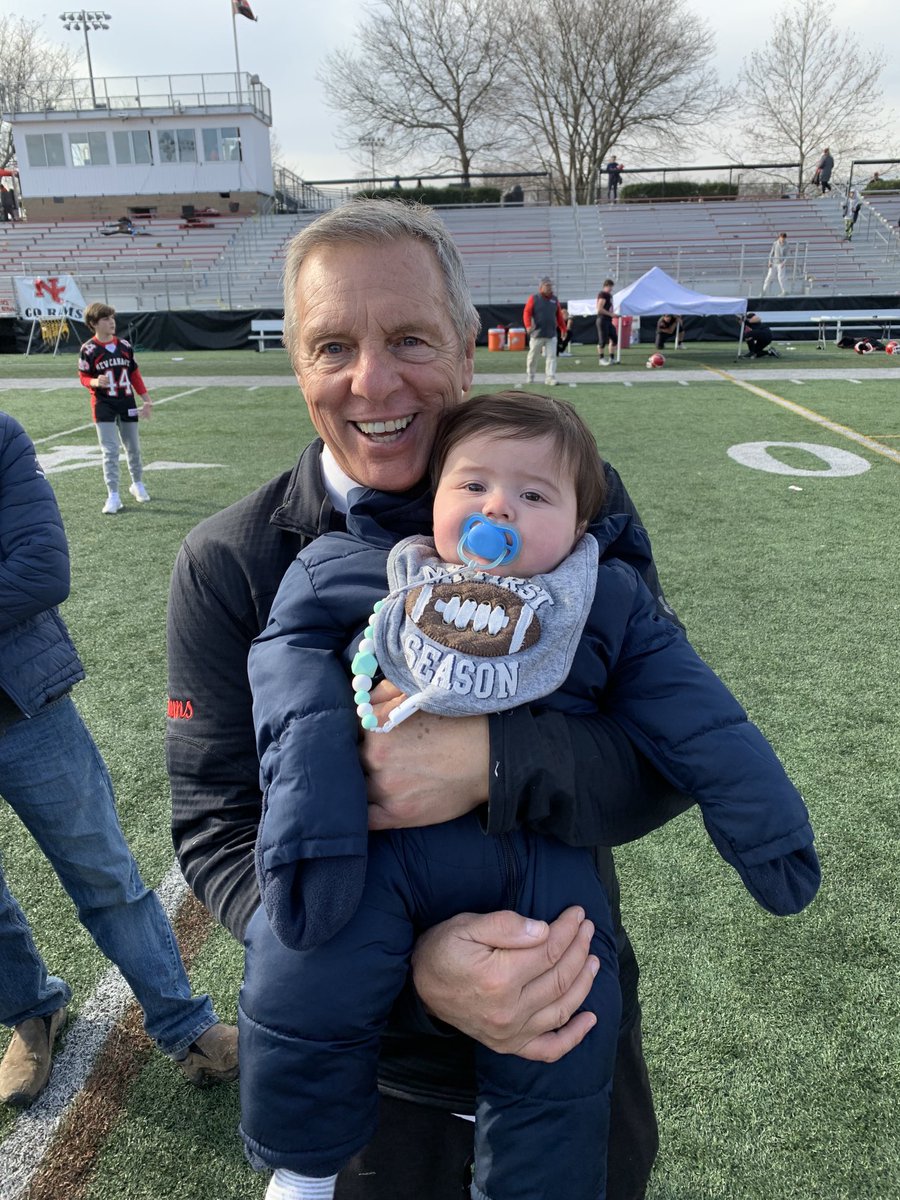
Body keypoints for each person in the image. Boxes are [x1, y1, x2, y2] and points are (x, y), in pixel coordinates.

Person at [166, 199, 694, 1200]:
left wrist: (488, 765)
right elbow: (217, 831)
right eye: (333, 345)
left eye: (409, 338)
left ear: (466, 350)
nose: (374, 380)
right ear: (296, 363)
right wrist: (411, 969)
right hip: (371, 1076)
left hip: (568, 1022)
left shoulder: (577, 502)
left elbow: (666, 751)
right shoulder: (231, 563)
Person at [243, 390, 818, 1200]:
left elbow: (699, 720)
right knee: (305, 957)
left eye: (534, 495)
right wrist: (318, 808)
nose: (497, 507)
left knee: (564, 1026)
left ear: (580, 526)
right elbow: (287, 675)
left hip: (541, 868)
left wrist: (768, 830)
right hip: (381, 858)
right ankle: (302, 1169)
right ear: (433, 497)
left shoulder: (605, 601)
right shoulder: (354, 572)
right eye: (471, 486)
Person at [0, 411, 239, 1110]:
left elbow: (42, 570)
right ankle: (31, 1013)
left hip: (23, 707)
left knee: (105, 875)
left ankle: (186, 1026)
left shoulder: (1, 438)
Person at [78, 302, 153, 515]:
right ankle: (113, 494)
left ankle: (137, 483)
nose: (111, 322)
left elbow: (134, 375)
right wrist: (94, 382)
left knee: (133, 447)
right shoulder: (88, 349)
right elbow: (83, 376)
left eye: (112, 318)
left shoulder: (125, 346)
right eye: (105, 319)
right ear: (93, 324)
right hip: (104, 405)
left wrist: (146, 399)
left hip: (126, 401)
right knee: (110, 451)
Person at [523, 277, 566, 386]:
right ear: (541, 287)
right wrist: (528, 325)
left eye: (550, 286)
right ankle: (530, 374)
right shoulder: (534, 298)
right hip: (537, 334)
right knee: (533, 356)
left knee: (552, 356)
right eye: (547, 286)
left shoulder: (554, 300)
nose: (549, 288)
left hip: (551, 334)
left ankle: (550, 377)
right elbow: (527, 313)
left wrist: (563, 328)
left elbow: (559, 316)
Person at [596, 279, 617, 365]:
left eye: (612, 286)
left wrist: (613, 314)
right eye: (610, 286)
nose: (611, 288)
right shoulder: (603, 294)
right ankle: (601, 359)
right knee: (602, 341)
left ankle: (611, 358)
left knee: (614, 338)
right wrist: (610, 314)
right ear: (606, 285)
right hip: (602, 319)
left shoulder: (609, 295)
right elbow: (599, 309)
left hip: (608, 320)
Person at [761, 233, 788, 297]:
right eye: (782, 238)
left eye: (784, 238)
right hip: (774, 263)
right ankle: (763, 291)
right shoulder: (775, 243)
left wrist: (784, 263)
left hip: (781, 264)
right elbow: (771, 253)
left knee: (781, 278)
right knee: (769, 277)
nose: (783, 240)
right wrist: (769, 261)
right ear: (779, 237)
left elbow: (787, 255)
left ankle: (784, 291)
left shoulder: (787, 245)